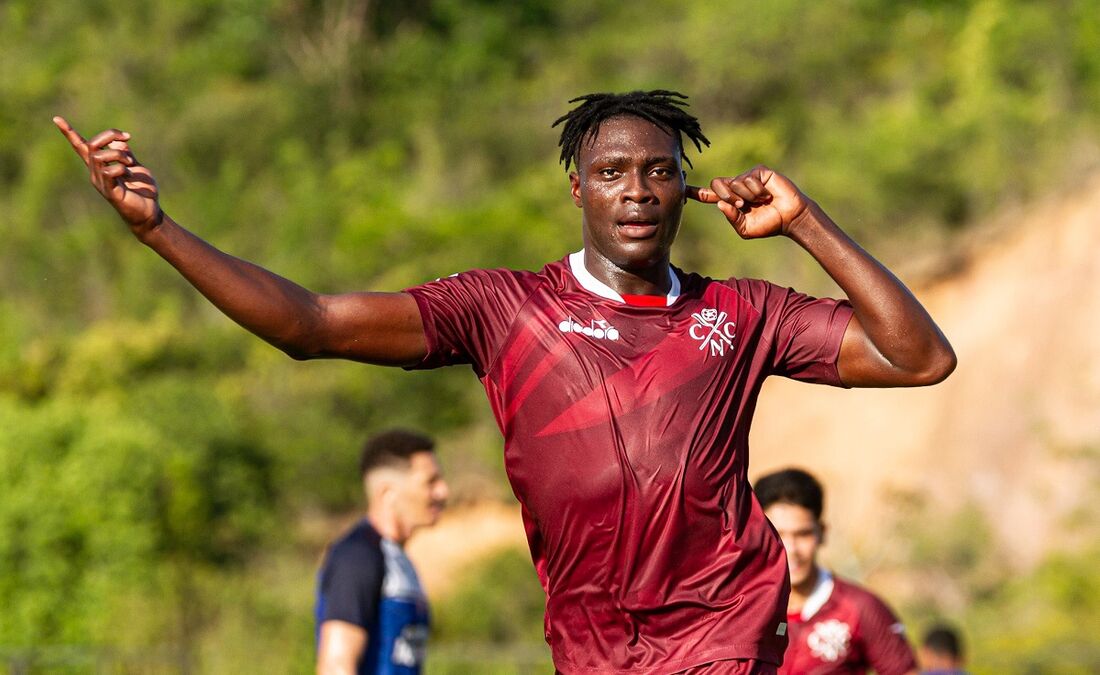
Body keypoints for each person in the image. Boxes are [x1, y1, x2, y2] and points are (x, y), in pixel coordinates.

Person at [55, 89, 956, 673]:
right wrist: (159, 231)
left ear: (686, 190)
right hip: (594, 652)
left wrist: (807, 223)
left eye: (658, 171)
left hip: (725, 638)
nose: (637, 190)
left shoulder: (743, 311)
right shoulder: (505, 309)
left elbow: (920, 357)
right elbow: (310, 325)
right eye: (613, 172)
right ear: (577, 188)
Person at [755, 468, 919, 675]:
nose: (792, 549)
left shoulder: (859, 608)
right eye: (778, 535)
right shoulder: (737, 609)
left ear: (821, 533)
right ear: (758, 536)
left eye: (803, 534)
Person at [315, 429, 449, 675]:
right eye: (430, 482)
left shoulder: (399, 561)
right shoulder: (357, 556)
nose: (443, 492)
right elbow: (336, 666)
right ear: (388, 492)